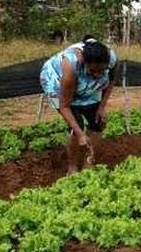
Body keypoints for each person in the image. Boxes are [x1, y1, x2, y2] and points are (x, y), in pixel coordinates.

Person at [39, 35, 118, 172]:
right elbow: (64, 106)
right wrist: (80, 134)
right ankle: (72, 166)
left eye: (101, 71)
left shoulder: (111, 60)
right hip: (56, 80)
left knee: (98, 122)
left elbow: (111, 81)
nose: (97, 74)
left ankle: (89, 161)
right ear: (84, 63)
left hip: (83, 81)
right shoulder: (71, 66)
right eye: (92, 71)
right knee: (77, 126)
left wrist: (101, 107)